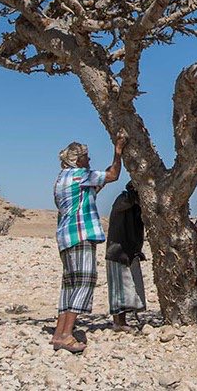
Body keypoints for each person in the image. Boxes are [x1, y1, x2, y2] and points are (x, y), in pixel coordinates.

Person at [51, 135, 125, 353]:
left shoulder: (62, 178)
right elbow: (113, 175)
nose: (89, 160)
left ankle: (58, 333)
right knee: (85, 281)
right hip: (81, 234)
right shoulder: (80, 175)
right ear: (78, 160)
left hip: (65, 236)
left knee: (69, 284)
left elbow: (92, 189)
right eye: (86, 157)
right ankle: (67, 334)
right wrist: (118, 151)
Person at [105, 181, 147, 331]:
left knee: (131, 288)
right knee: (120, 290)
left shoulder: (137, 208)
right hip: (118, 252)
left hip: (130, 252)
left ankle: (124, 321)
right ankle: (119, 322)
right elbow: (126, 203)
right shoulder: (122, 200)